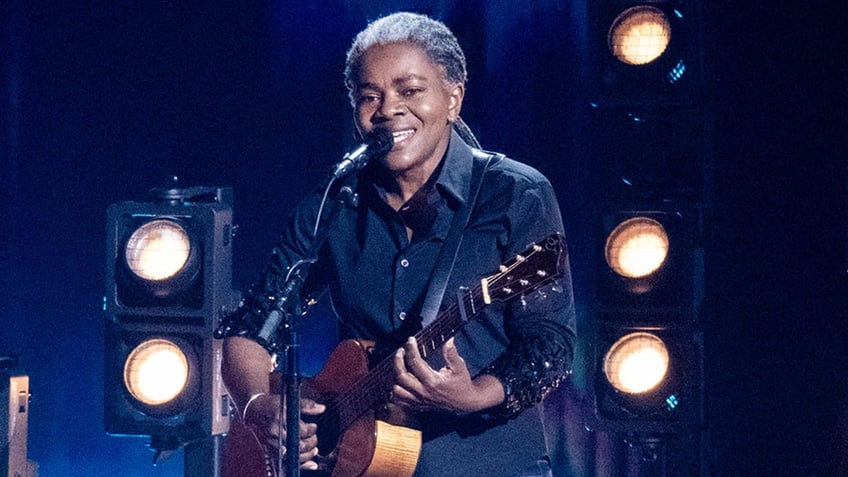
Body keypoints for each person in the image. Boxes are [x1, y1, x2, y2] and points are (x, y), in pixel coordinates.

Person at [216, 11, 576, 477]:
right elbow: (251, 327)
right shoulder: (333, 203)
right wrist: (258, 407)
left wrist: (473, 396)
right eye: (370, 97)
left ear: (453, 98)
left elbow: (551, 343)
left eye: (410, 91)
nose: (388, 109)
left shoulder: (515, 195)